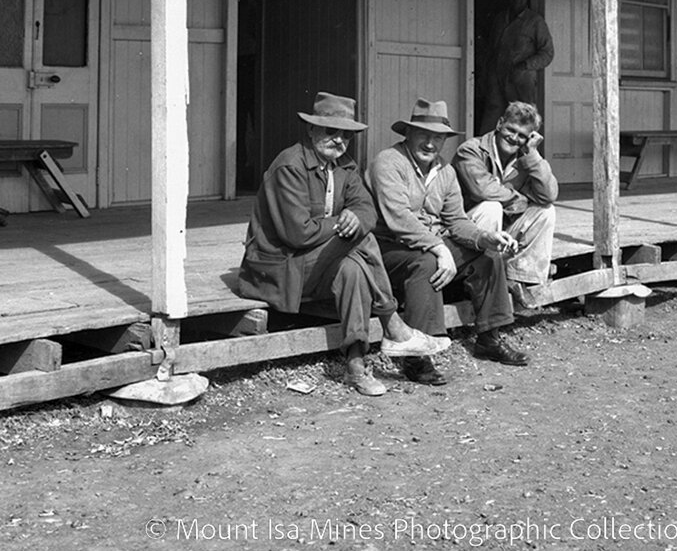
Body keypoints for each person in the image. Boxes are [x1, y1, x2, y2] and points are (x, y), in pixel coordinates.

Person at [238, 92, 448, 396]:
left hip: (318, 262)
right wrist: (343, 220)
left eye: (346, 136)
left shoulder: (345, 166)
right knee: (361, 240)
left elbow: (366, 209)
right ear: (311, 130)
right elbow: (298, 234)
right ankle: (393, 325)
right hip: (278, 268)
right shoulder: (290, 166)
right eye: (330, 131)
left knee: (352, 268)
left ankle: (355, 366)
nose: (339, 140)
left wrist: (355, 217)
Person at [368, 98, 529, 387]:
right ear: (409, 134)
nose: (431, 144)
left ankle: (489, 337)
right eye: (424, 135)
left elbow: (455, 220)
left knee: (487, 255)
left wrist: (484, 237)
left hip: (429, 244)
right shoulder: (389, 162)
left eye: (438, 138)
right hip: (387, 247)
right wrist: (439, 247)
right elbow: (399, 219)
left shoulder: (445, 171)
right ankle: (416, 356)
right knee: (427, 262)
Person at [453, 101, 558, 314]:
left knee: (545, 212)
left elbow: (549, 195)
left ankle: (517, 278)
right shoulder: (472, 150)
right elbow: (482, 189)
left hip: (500, 232)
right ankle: (479, 278)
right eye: (510, 129)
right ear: (500, 124)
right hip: (466, 231)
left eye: (521, 135)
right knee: (491, 207)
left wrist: (533, 156)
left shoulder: (524, 157)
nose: (514, 138)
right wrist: (517, 199)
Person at [478, 0, 554, 134]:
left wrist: (526, 65)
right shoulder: (500, 19)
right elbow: (491, 50)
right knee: (492, 117)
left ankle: (527, 156)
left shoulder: (534, 21)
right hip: (497, 77)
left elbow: (547, 53)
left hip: (521, 80)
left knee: (523, 119)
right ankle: (484, 155)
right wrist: (485, 76)